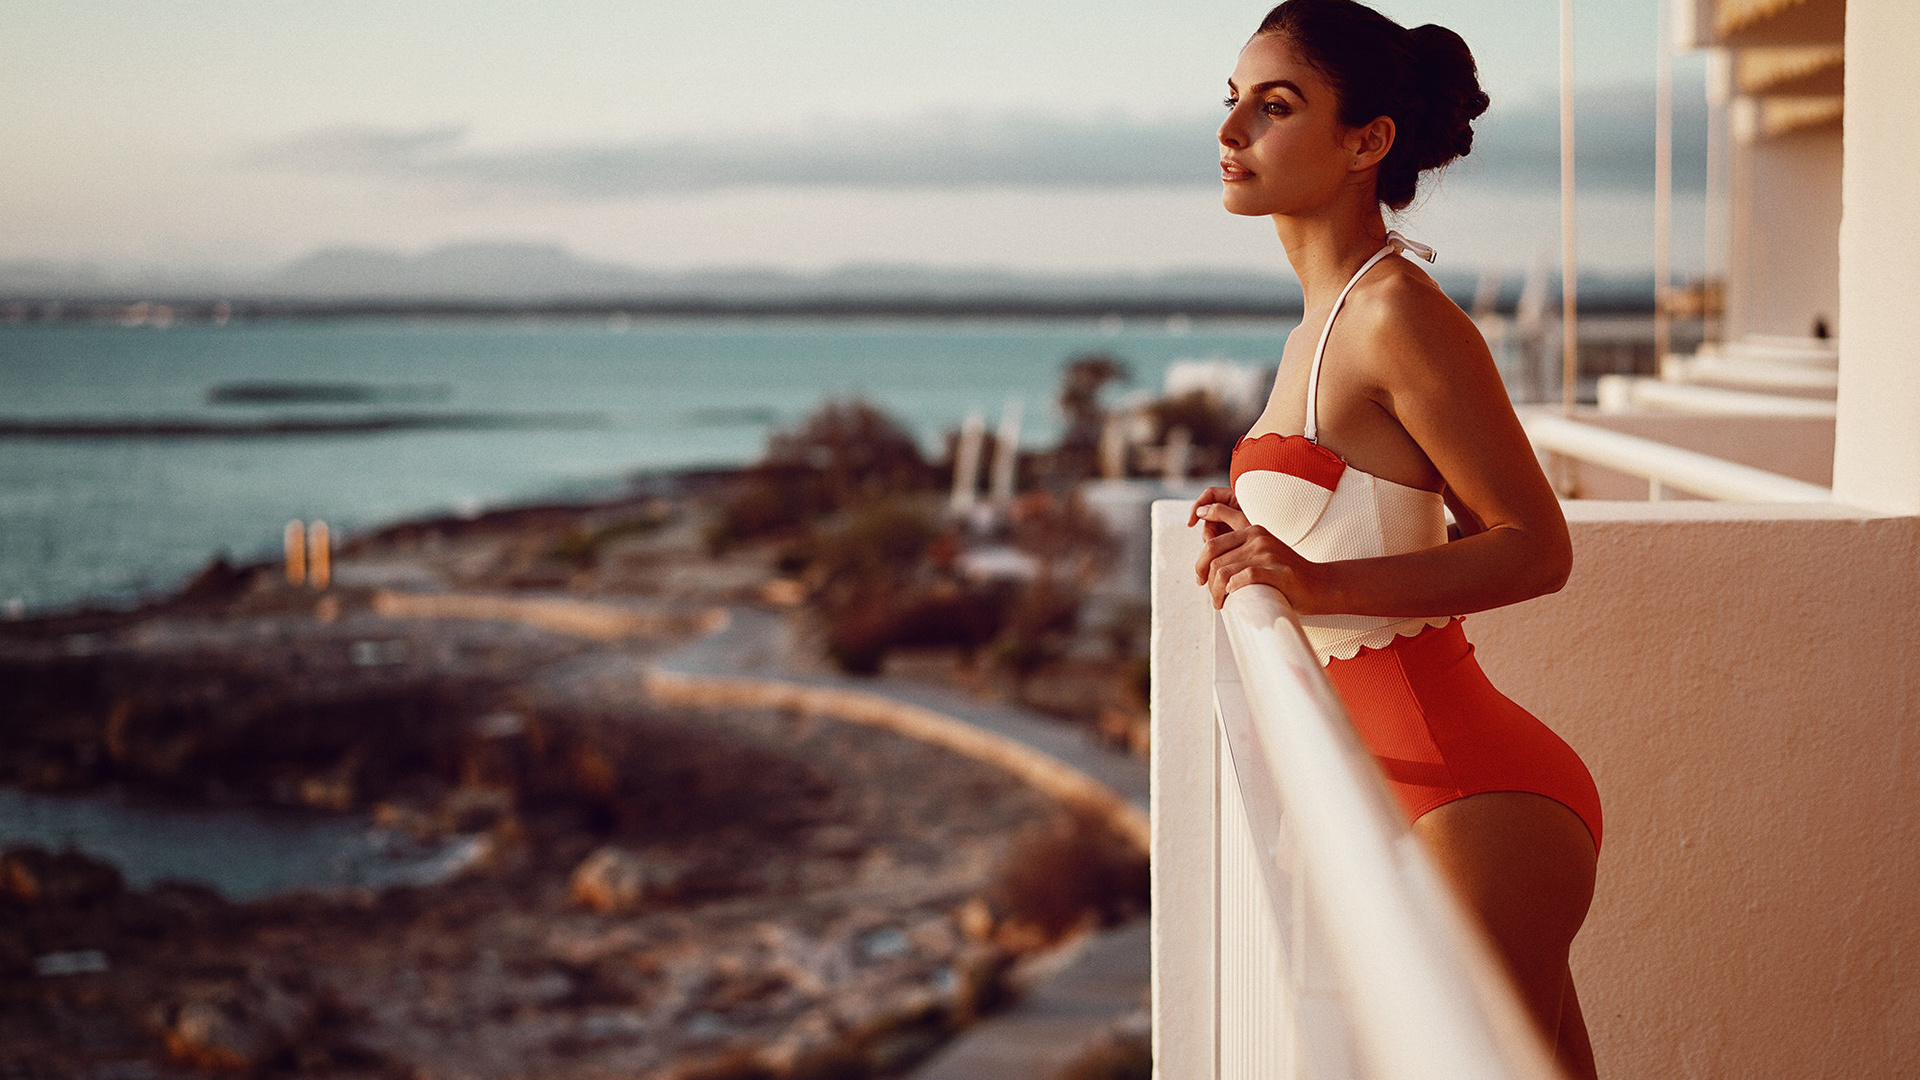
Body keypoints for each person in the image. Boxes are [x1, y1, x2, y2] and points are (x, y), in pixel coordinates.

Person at [1186, 2, 1603, 1076]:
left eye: (1274, 108)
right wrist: (1252, 528)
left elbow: (1532, 545)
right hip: (1403, 791)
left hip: (1471, 800)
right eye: (1231, 102)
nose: (1232, 133)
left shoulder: (1394, 313)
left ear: (1367, 140)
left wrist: (1313, 585)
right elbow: (1370, 502)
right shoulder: (1316, 325)